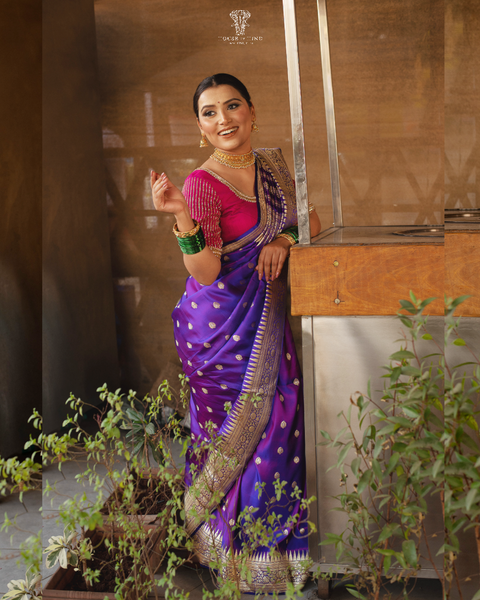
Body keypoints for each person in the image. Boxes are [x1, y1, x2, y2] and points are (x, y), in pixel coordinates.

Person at [151, 73, 321, 593]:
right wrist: (181, 215)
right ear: (200, 127)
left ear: (251, 112)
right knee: (239, 436)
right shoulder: (202, 184)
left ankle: (276, 556)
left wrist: (286, 240)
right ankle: (229, 554)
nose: (222, 118)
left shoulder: (271, 165)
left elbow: (310, 217)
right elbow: (204, 271)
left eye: (232, 106)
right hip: (220, 330)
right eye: (209, 112)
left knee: (279, 425)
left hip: (266, 317)